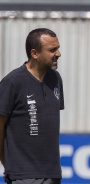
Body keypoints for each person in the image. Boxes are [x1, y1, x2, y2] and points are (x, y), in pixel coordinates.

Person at [0, 28, 64, 184]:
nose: (59, 53)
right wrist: (7, 163)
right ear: (34, 54)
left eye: (58, 48)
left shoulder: (55, 78)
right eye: (52, 50)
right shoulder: (13, 82)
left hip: (52, 174)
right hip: (23, 176)